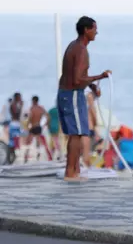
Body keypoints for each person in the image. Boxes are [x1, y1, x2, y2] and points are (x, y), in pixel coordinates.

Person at [57, 16, 111, 181]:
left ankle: (75, 170)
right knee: (77, 134)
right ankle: (71, 172)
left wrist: (92, 86)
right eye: (94, 29)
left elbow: (78, 76)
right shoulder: (80, 49)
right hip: (72, 94)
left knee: (77, 134)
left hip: (68, 93)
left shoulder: (75, 46)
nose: (96, 32)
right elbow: (77, 79)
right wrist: (100, 76)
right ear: (87, 30)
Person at [24, 96, 51, 162]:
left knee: (28, 142)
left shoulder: (32, 108)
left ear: (33, 101)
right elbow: (48, 117)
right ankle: (38, 155)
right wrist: (45, 125)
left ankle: (26, 157)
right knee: (38, 141)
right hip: (39, 126)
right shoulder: (41, 108)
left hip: (33, 127)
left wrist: (27, 125)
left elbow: (30, 117)